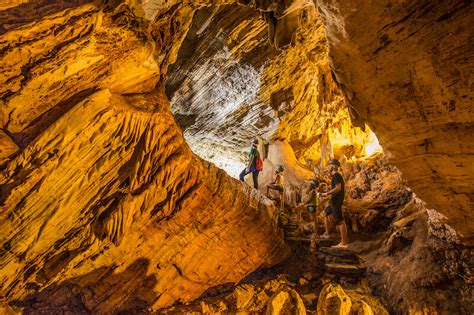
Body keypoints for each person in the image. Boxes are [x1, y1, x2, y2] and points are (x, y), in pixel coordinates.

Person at [321, 159, 349, 249]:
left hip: (336, 200)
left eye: (329, 165)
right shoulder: (335, 176)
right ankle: (327, 233)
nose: (328, 167)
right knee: (325, 213)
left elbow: (338, 188)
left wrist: (327, 193)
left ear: (333, 166)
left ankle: (344, 243)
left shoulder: (336, 175)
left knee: (340, 221)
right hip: (334, 200)